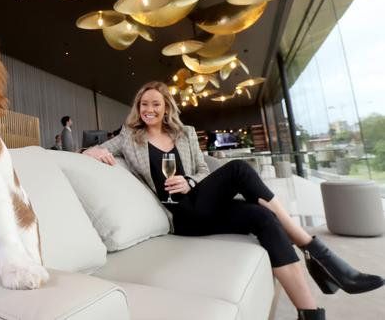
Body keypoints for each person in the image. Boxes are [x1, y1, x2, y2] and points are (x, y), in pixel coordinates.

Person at [83, 81, 383, 320]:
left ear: (165, 108)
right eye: (144, 104)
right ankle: (317, 252)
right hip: (181, 216)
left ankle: (311, 314)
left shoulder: (185, 133)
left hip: (197, 199)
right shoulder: (128, 137)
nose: (149, 109)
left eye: (155, 104)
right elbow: (87, 151)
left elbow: (200, 170)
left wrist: (189, 182)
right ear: (138, 108)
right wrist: (94, 152)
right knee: (239, 169)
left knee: (263, 217)